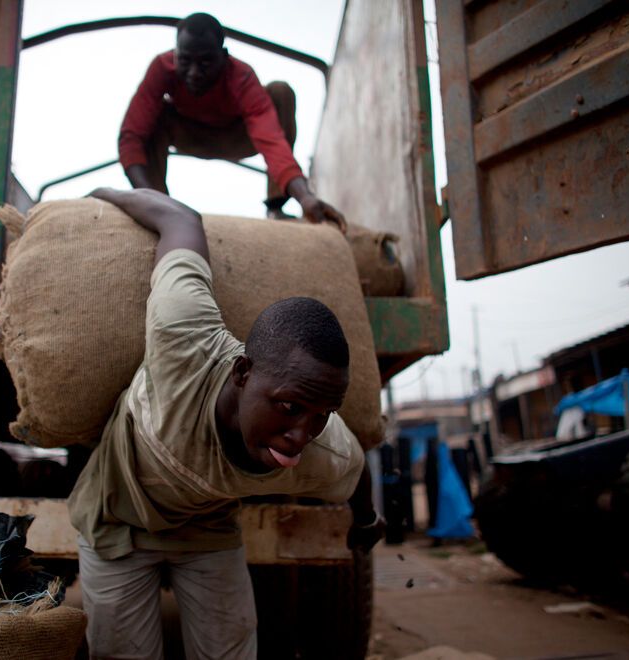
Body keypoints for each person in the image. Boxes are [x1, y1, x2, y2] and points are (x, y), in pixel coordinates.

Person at [68, 188, 383, 659]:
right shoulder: (182, 338)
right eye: (289, 408)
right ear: (242, 373)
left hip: (208, 534)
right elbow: (180, 220)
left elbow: (355, 472)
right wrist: (103, 194)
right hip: (117, 521)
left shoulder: (323, 449)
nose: (300, 437)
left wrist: (366, 521)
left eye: (321, 417)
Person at [118, 12, 346, 229]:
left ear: (224, 57)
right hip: (188, 135)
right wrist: (146, 199)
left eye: (205, 62)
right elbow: (130, 137)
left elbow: (272, 142)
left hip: (237, 138)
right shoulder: (162, 68)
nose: (194, 73)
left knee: (280, 92)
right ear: (176, 55)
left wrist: (305, 197)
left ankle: (276, 207)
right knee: (149, 119)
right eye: (186, 61)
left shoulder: (242, 76)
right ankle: (158, 204)